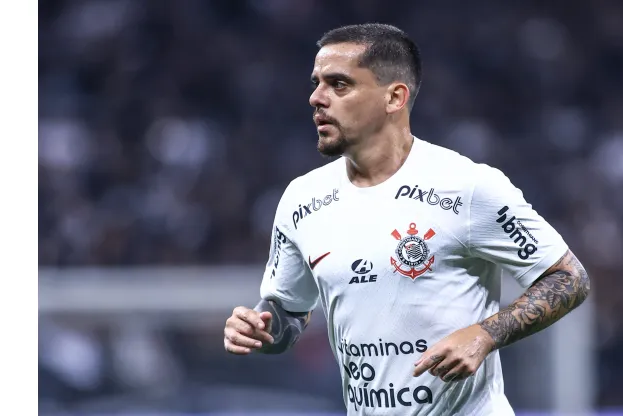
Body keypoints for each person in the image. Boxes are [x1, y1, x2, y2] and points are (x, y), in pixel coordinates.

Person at [223, 23, 590, 416]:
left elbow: (569, 278)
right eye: (316, 83)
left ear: (395, 97)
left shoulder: (466, 187)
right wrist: (261, 328)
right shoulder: (302, 199)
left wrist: (484, 334)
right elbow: (289, 312)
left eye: (339, 85)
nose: (316, 98)